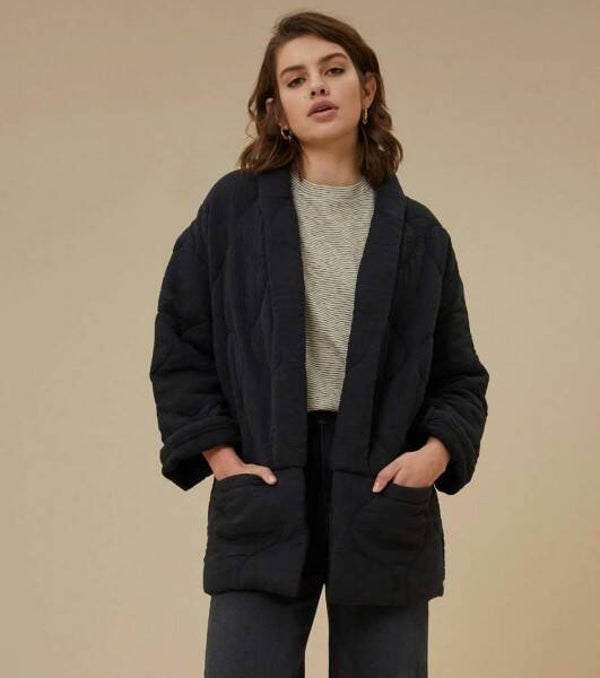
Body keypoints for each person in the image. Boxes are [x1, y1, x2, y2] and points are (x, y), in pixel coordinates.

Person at [149, 10, 490, 678]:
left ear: (368, 88)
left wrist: (433, 455)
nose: (318, 87)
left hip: (382, 487)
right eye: (296, 79)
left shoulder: (420, 235)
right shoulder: (233, 212)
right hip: (268, 476)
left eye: (333, 70)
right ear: (278, 111)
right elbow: (181, 344)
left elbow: (459, 376)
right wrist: (221, 456)